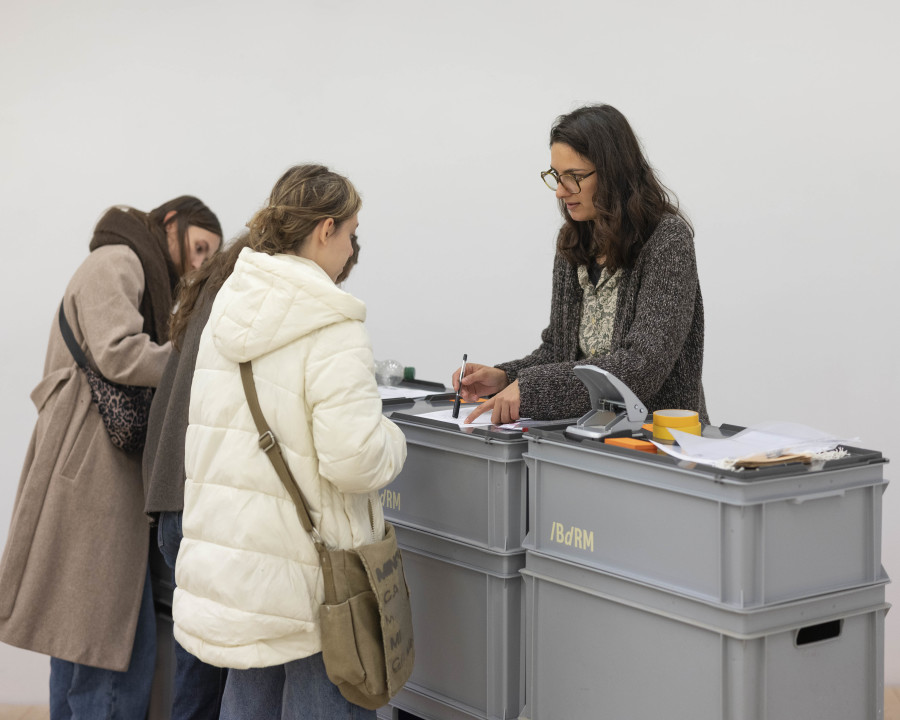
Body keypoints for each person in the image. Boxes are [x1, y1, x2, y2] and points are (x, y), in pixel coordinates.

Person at [172, 164, 406, 720]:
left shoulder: (226, 313)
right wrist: (393, 437)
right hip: (314, 585)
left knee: (247, 704)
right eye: (351, 232)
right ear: (325, 229)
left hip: (237, 572)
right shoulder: (333, 324)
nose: (352, 249)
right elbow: (354, 460)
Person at [0, 197, 222, 719]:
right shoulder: (118, 259)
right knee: (111, 648)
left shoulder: (129, 266)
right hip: (90, 472)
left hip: (87, 470)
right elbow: (118, 351)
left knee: (78, 643)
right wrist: (195, 357)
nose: (198, 264)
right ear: (171, 223)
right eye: (198, 248)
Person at [143, 229, 361, 720]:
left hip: (180, 499)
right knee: (223, 681)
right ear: (321, 239)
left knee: (207, 674)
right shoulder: (269, 305)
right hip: (214, 513)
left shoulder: (228, 291)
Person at [456, 104, 707, 425]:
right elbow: (559, 351)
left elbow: (644, 367)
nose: (561, 191)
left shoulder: (666, 239)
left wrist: (531, 388)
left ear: (615, 172)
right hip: (588, 431)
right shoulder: (573, 241)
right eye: (557, 177)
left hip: (658, 438)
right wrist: (506, 376)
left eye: (574, 177)